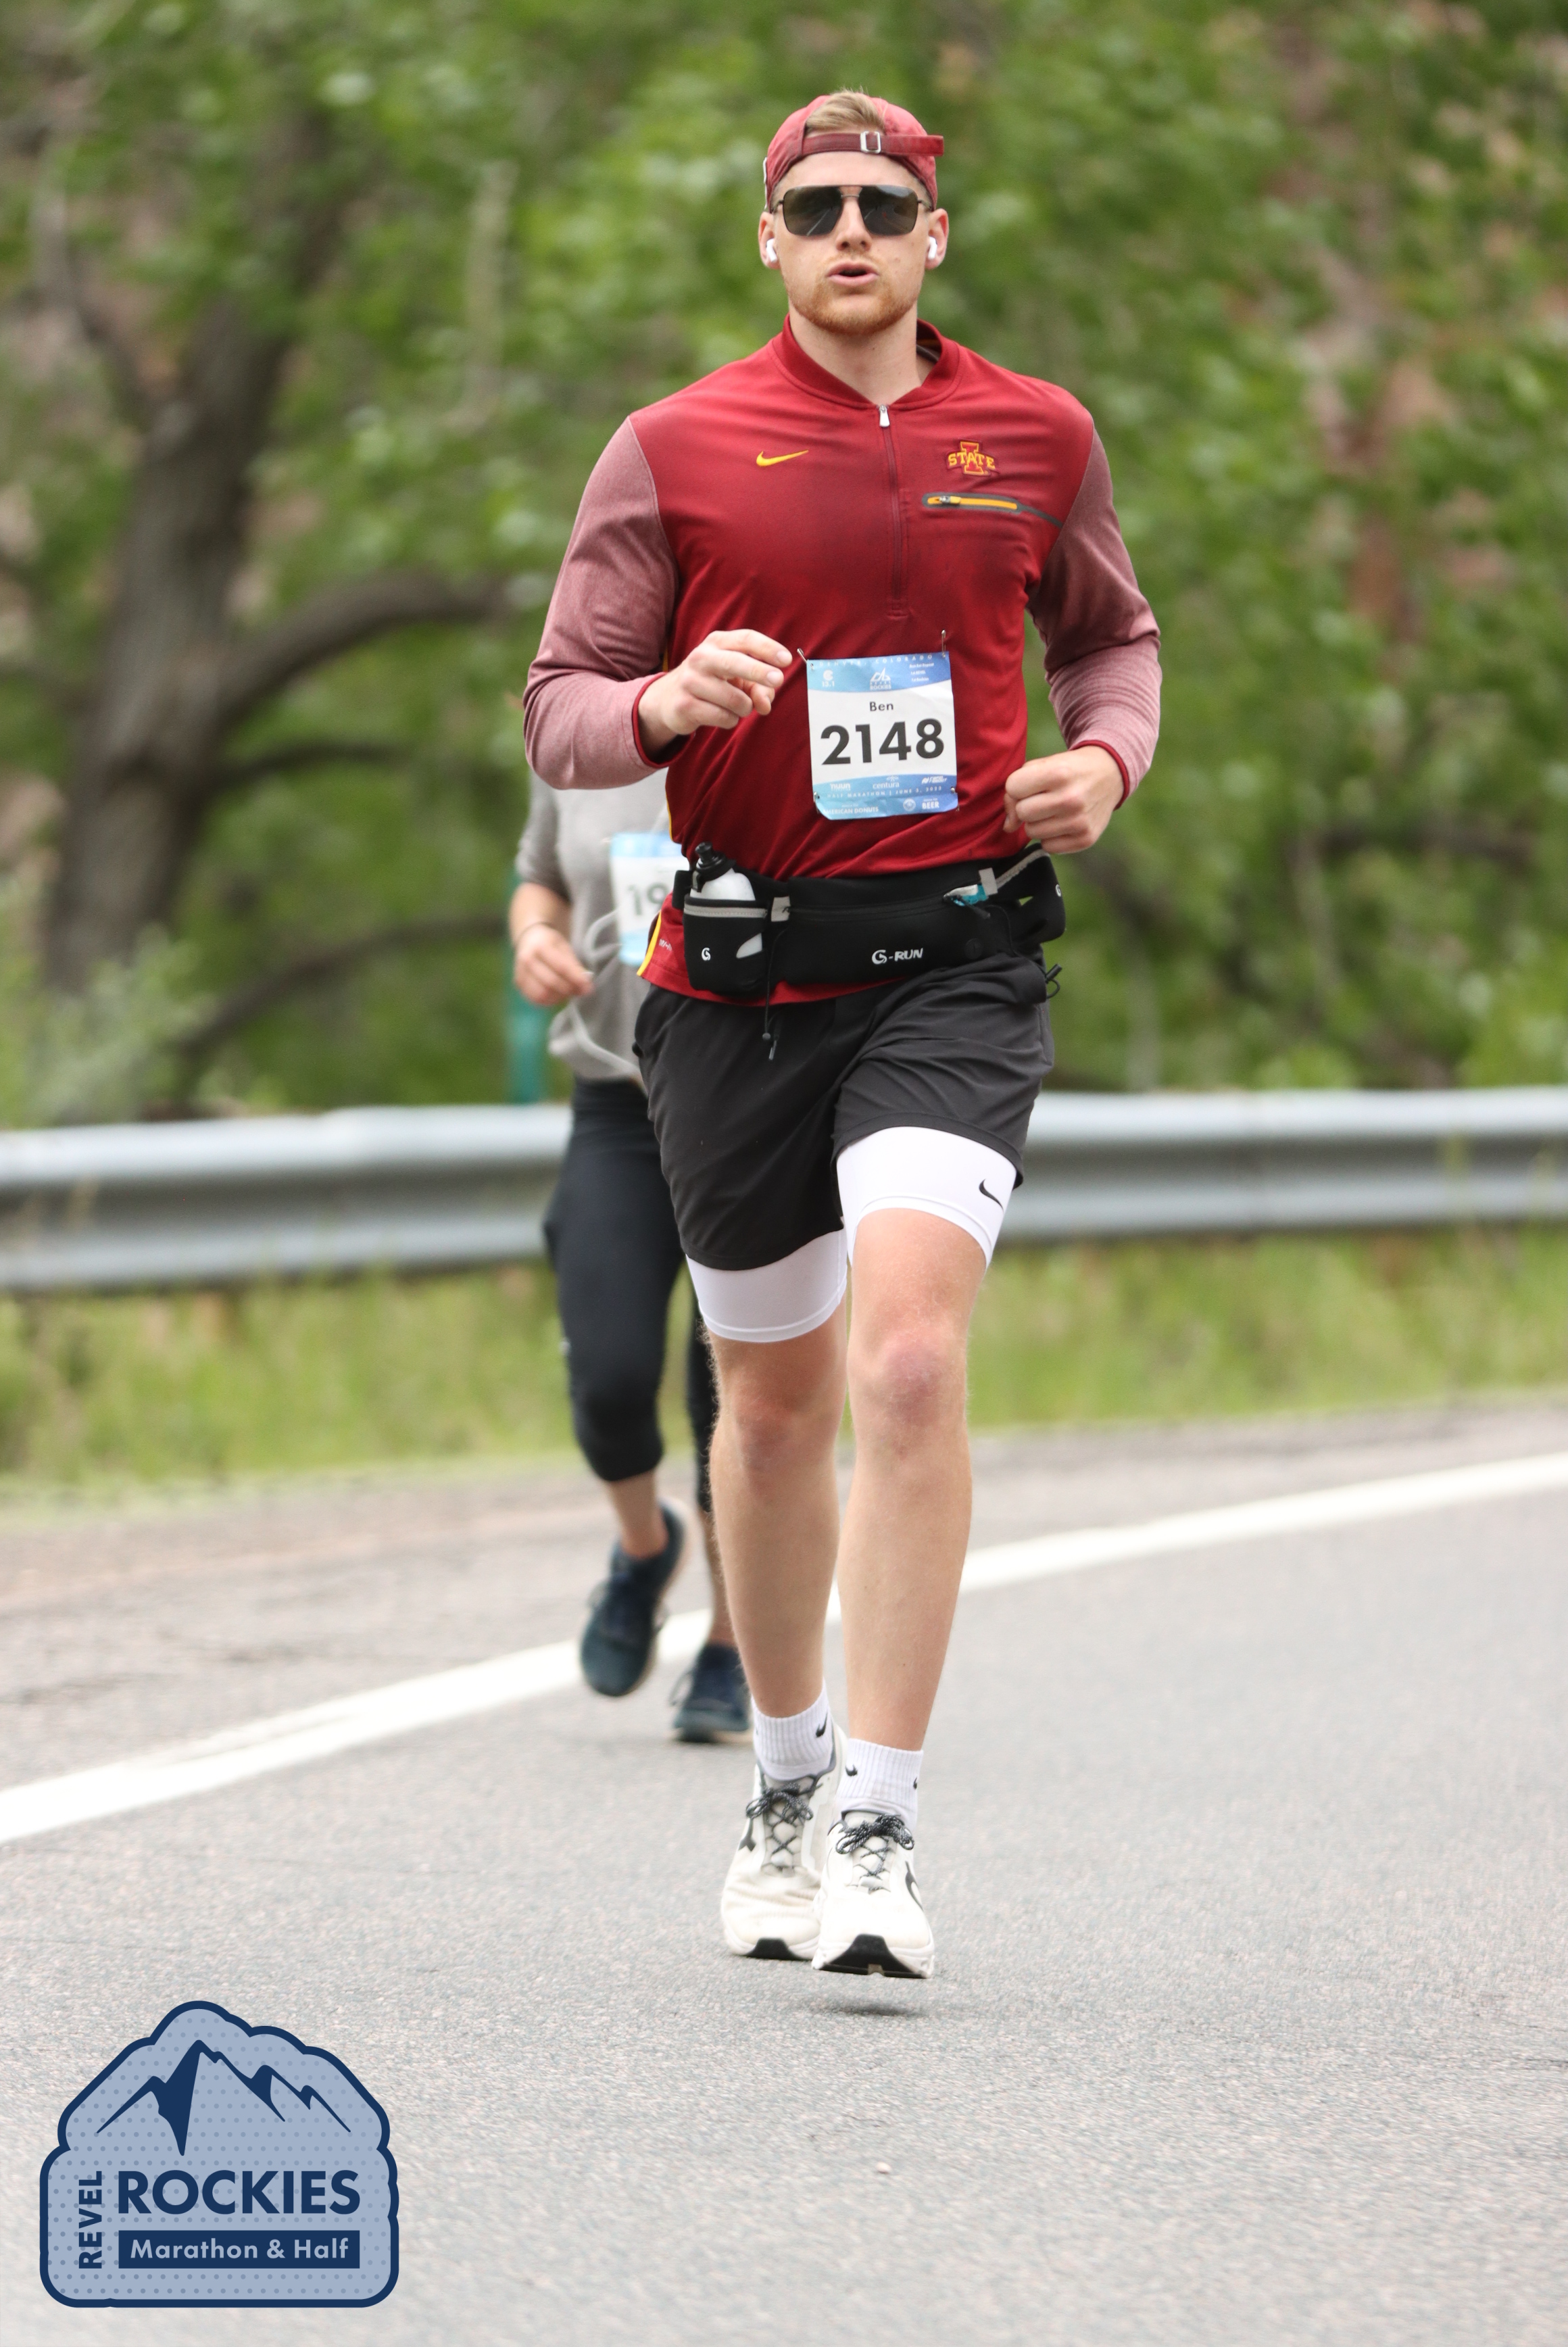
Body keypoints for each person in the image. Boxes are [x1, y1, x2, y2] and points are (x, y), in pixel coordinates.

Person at [524, 89, 1159, 1974]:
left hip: (954, 967)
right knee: (777, 1406)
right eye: (815, 207)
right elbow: (559, 704)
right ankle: (786, 1786)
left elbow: (1110, 640)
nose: (851, 230)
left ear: (933, 235)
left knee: (905, 1363)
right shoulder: (672, 447)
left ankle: (878, 1826)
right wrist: (660, 705)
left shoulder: (1035, 434)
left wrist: (1107, 758)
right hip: (735, 984)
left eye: (884, 203)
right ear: (769, 239)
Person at [511, 774, 749, 1741]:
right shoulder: (576, 737)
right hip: (619, 1105)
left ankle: (734, 1644)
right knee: (608, 1377)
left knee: (733, 1396)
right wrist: (535, 939)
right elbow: (539, 876)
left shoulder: (780, 712)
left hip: (755, 1098)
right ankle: (646, 1548)